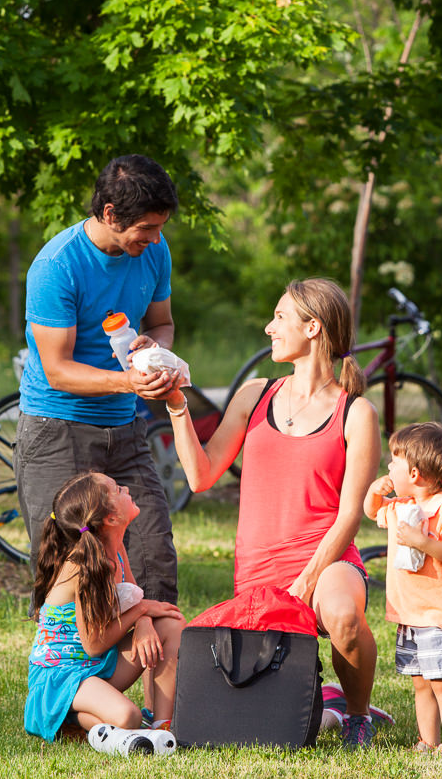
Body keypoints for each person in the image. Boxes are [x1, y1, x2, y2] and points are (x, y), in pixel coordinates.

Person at [162, 277, 383, 747]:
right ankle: (327, 698)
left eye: (279, 316)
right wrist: (177, 406)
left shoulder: (356, 412)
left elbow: (349, 515)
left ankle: (358, 715)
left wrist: (306, 580)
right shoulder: (255, 393)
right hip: (259, 568)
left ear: (313, 328)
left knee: (342, 617)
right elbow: (202, 476)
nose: (268, 327)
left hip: (326, 557)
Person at [15, 154, 183, 609]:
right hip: (57, 431)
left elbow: (163, 322)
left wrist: (154, 349)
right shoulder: (57, 266)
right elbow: (58, 370)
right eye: (146, 228)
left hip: (125, 431)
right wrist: (130, 383)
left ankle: (158, 678)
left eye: (159, 227)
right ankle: (71, 679)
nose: (155, 238)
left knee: (154, 563)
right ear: (110, 213)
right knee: (69, 574)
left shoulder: (154, 252)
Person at [24, 471, 185, 742]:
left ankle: (162, 728)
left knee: (170, 623)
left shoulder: (116, 547)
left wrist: (144, 620)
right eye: (116, 490)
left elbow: (134, 598)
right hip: (62, 678)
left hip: (95, 666)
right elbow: (94, 644)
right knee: (126, 717)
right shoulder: (82, 565)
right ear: (110, 519)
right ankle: (68, 719)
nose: (125, 488)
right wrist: (141, 611)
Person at [362, 422, 442, 756]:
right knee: (421, 683)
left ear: (414, 473)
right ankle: (427, 739)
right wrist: (374, 492)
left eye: (392, 464)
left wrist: (423, 542)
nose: (388, 469)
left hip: (439, 615)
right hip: (410, 615)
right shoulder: (399, 506)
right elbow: (371, 512)